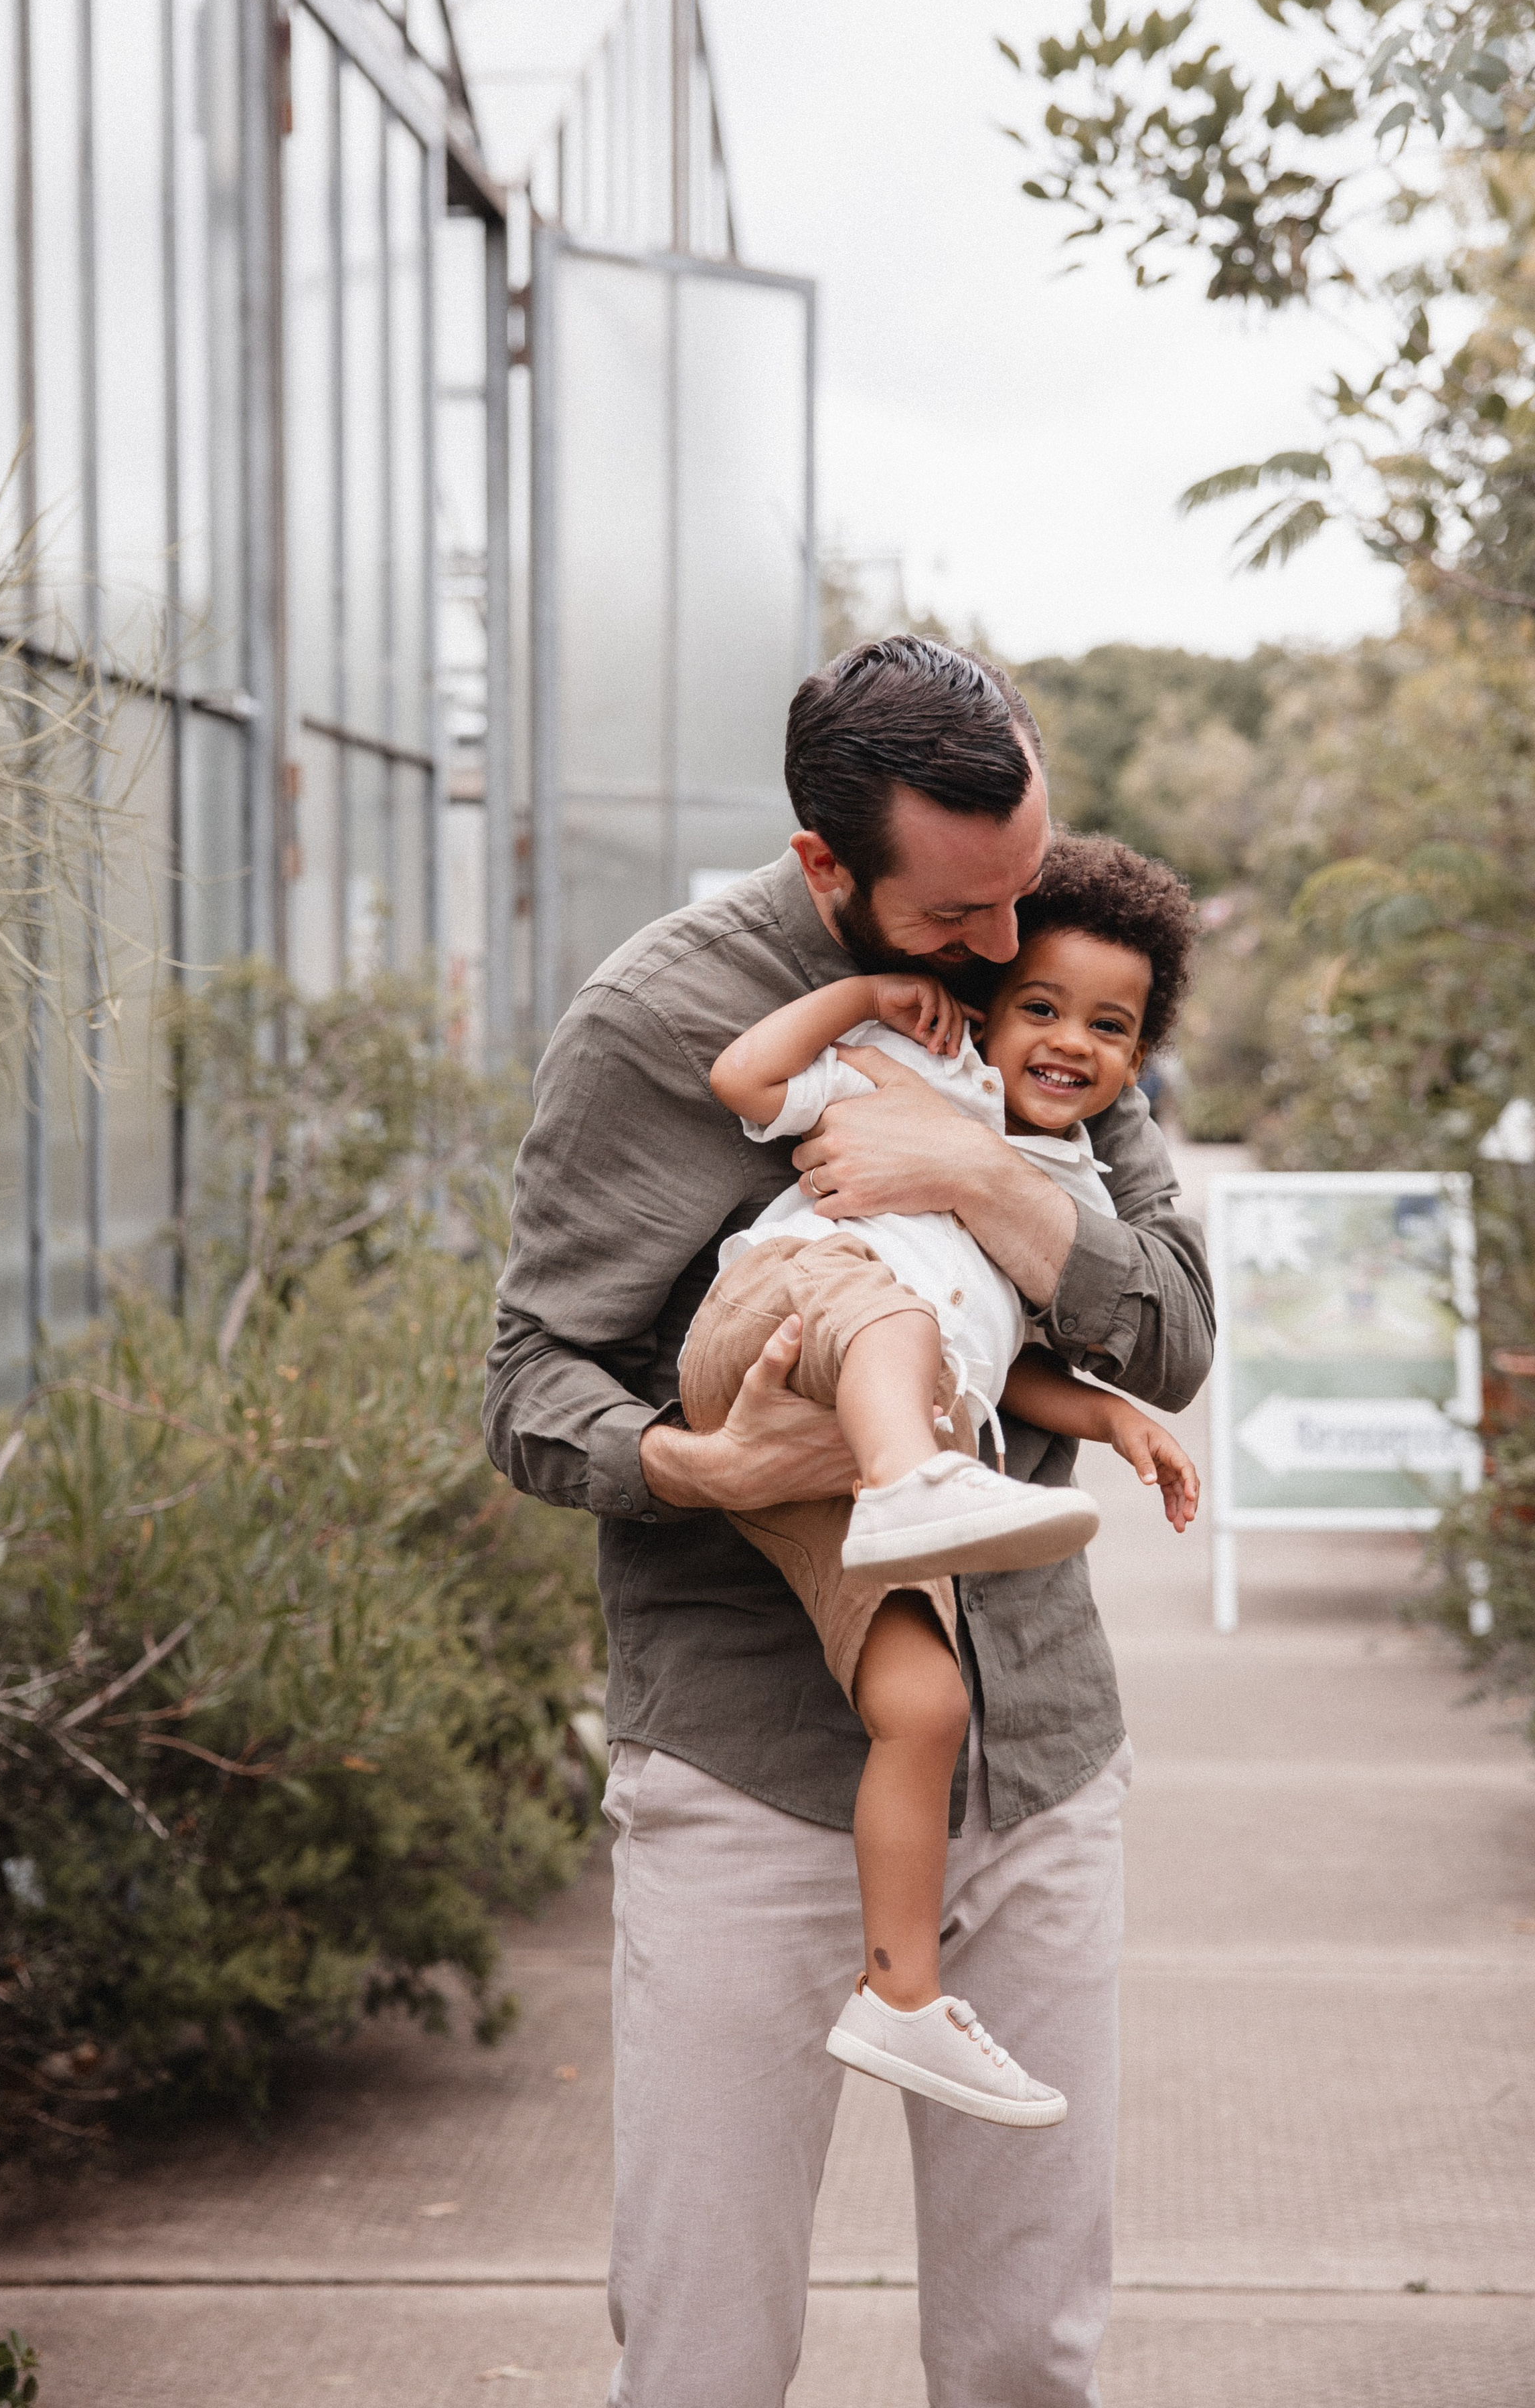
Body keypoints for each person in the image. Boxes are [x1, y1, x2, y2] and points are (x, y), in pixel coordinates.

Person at [484, 636, 1216, 2408]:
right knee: (708, 2348)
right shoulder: (660, 1022)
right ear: (827, 865)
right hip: (753, 1760)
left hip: (1035, 1748)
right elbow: (526, 1383)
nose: (1006, 941)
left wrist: (967, 1170)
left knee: (1030, 2351)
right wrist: (701, 1468)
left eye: (1021, 886)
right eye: (961, 914)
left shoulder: (1050, 963)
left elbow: (1172, 1329)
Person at [678, 834, 1202, 2130]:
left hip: (850, 1451)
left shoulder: (1064, 1190)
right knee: (894, 1320)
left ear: (1139, 1058)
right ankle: (916, 1479)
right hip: (781, 1324)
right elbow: (744, 1077)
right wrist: (863, 1000)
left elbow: (997, 1357)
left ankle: (898, 1994)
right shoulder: (919, 1071)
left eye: (1108, 1027)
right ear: (983, 1008)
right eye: (1040, 1007)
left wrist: (1108, 1415)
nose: (1069, 1041)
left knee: (924, 1705)